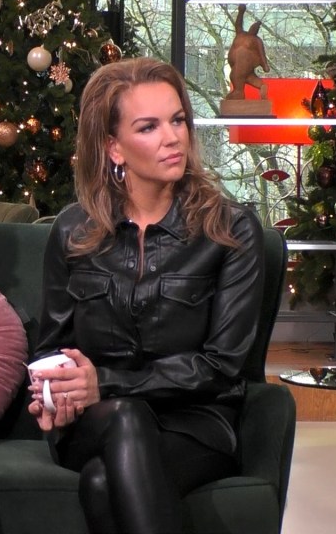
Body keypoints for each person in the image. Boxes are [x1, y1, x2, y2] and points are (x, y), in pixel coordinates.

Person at [27, 57, 265, 534]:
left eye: (177, 120)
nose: (173, 137)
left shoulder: (230, 230)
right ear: (113, 147)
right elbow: (51, 348)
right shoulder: (73, 231)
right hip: (96, 420)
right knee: (126, 417)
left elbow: (221, 365)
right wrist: (56, 394)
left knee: (101, 483)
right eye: (149, 127)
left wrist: (105, 382)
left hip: (195, 422)